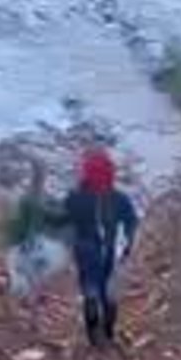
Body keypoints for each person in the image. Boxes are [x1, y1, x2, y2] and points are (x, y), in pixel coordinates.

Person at [58, 145, 140, 347]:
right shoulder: (119, 198)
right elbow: (132, 221)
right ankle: (109, 333)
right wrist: (128, 243)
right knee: (109, 292)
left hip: (85, 247)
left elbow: (62, 222)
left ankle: (93, 337)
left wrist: (67, 244)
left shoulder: (75, 196)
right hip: (111, 248)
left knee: (90, 289)